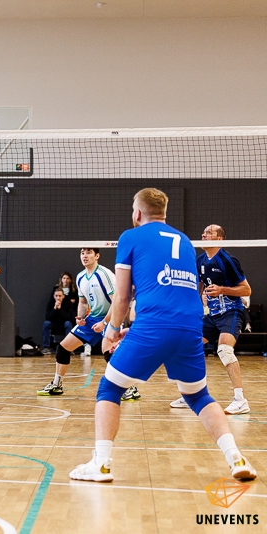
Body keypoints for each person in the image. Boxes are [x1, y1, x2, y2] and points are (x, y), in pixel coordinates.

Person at [70, 188, 256, 483]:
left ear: (137, 213)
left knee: (109, 388)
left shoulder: (130, 237)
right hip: (190, 327)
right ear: (164, 213)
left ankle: (101, 463)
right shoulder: (185, 242)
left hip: (154, 325)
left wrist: (112, 330)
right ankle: (236, 457)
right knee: (198, 395)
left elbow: (122, 296)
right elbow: (177, 292)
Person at [170, 224, 251, 414]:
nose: (203, 235)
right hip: (212, 315)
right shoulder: (200, 260)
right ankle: (191, 395)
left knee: (224, 350)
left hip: (231, 311)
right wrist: (195, 305)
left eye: (209, 233)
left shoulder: (228, 260)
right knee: (186, 348)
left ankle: (240, 400)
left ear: (219, 239)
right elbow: (198, 287)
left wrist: (222, 290)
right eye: (204, 232)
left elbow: (246, 289)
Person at [37, 248, 115, 397]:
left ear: (97, 256)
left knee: (109, 352)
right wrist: (80, 317)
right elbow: (83, 302)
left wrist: (104, 323)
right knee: (63, 348)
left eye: (89, 252)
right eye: (82, 252)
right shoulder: (80, 277)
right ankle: (56, 385)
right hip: (93, 318)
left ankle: (129, 388)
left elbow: (117, 302)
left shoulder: (104, 274)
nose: (85, 256)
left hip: (112, 316)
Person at [41, 287, 74, 355]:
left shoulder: (68, 303)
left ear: (63, 296)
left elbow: (69, 318)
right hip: (54, 324)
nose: (58, 298)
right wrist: (54, 309)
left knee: (68, 324)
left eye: (60, 296)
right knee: (46, 324)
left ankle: (69, 348)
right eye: (56, 296)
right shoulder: (50, 303)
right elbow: (48, 317)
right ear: (54, 296)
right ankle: (46, 347)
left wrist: (60, 309)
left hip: (64, 323)